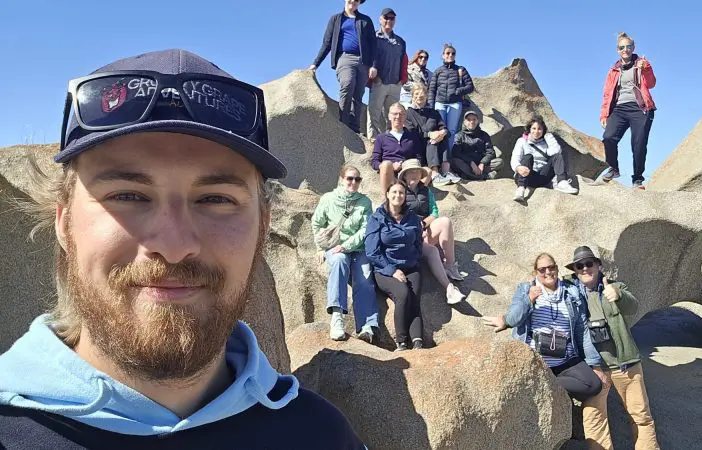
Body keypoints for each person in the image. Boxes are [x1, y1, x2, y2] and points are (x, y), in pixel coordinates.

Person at [0, 49, 363, 447]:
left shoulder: (320, 436)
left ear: (263, 228)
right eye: (128, 195)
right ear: (64, 223)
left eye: (216, 199)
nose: (174, 247)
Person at [564, 246, 660, 450]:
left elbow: (632, 306)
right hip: (594, 369)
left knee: (641, 417)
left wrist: (617, 294)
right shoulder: (571, 293)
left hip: (624, 363)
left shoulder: (614, 286)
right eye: (579, 266)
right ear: (575, 270)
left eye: (589, 263)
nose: (585, 269)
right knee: (594, 422)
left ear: (598, 265)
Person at [482, 253, 605, 403]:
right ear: (536, 272)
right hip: (538, 360)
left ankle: (545, 384)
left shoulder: (571, 292)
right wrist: (529, 299)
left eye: (551, 267)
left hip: (566, 359)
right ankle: (547, 384)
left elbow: (582, 330)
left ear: (557, 269)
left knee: (594, 385)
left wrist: (595, 364)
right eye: (542, 269)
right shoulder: (526, 289)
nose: (548, 272)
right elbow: (513, 319)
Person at [311, 165, 379, 344]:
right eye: (350, 178)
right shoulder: (328, 199)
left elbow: (365, 229)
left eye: (357, 179)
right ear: (341, 179)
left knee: (364, 279)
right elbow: (317, 223)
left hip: (357, 248)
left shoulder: (364, 202)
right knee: (340, 261)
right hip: (336, 248)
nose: (353, 182)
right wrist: (319, 247)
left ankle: (367, 326)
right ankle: (337, 316)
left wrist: (347, 245)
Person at [365, 181, 425, 351]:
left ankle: (418, 342)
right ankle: (402, 342)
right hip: (385, 269)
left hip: (411, 267)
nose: (398, 196)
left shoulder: (412, 218)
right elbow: (372, 252)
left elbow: (418, 242)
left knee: (415, 297)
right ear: (387, 194)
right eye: (394, 192)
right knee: (403, 294)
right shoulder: (377, 218)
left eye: (401, 193)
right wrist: (393, 270)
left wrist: (415, 259)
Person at [397, 159, 466, 305]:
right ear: (404, 175)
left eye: (417, 171)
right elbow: (397, 217)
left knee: (445, 221)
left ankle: (450, 264)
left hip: (424, 230)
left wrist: (423, 224)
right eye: (411, 172)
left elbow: (434, 212)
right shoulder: (399, 192)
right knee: (432, 251)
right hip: (409, 237)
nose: (414, 174)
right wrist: (416, 228)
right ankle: (449, 289)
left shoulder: (425, 190)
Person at [599, 32, 657, 190]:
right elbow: (607, 94)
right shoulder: (613, 70)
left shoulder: (641, 64)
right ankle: (614, 168)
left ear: (633, 48)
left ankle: (637, 180)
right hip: (619, 109)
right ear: (617, 50)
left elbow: (651, 84)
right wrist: (604, 114)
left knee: (638, 144)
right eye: (622, 47)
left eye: (628, 46)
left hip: (640, 108)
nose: (625, 49)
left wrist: (646, 69)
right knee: (608, 137)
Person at [310, 0, 377, 134]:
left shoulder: (365, 20)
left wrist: (373, 65)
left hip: (363, 61)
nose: (354, 1)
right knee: (347, 83)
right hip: (345, 58)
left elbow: (373, 44)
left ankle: (355, 128)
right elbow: (327, 43)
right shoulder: (336, 19)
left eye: (357, 0)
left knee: (358, 94)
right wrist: (315, 64)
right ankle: (343, 123)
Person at [428, 43, 474, 181]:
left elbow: (470, 86)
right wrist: (431, 105)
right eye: (447, 53)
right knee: (441, 131)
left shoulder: (460, 70)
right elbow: (432, 89)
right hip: (440, 103)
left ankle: (446, 164)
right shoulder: (438, 71)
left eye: (452, 53)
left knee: (452, 132)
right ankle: (438, 164)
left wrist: (458, 91)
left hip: (455, 104)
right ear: (443, 55)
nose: (450, 56)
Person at [510, 116, 578, 202]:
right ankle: (521, 188)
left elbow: (556, 153)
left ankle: (562, 182)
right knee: (528, 157)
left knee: (557, 156)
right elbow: (515, 158)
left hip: (542, 177)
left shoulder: (546, 142)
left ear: (543, 130)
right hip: (525, 175)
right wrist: (518, 168)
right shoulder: (522, 141)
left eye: (539, 129)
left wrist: (549, 137)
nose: (536, 131)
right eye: (534, 128)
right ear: (529, 129)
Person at [403, 83, 456, 187]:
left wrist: (442, 132)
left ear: (426, 96)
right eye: (416, 94)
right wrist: (430, 134)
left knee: (442, 138)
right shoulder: (408, 113)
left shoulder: (433, 112)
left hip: (435, 146)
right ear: (412, 96)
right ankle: (435, 174)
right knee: (431, 141)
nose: (419, 96)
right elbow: (412, 133)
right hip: (419, 148)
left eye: (422, 94)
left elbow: (444, 128)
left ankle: (446, 171)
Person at [367, 7, 408, 140]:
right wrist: (375, 79)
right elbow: (368, 58)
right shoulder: (373, 37)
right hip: (379, 82)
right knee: (374, 112)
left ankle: (390, 141)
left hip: (395, 84)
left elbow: (404, 61)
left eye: (392, 18)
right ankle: (372, 140)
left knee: (392, 116)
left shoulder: (401, 42)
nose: (389, 20)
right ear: (380, 19)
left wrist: (402, 80)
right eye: (386, 18)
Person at [371, 103, 423, 194]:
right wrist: (391, 166)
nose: (398, 117)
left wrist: (406, 166)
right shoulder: (381, 137)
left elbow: (418, 158)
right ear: (389, 116)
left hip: (407, 172)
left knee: (428, 171)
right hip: (389, 173)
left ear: (405, 116)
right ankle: (386, 198)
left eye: (401, 114)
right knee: (386, 164)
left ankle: (414, 196)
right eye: (395, 114)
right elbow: (374, 162)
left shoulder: (412, 137)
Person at [451, 111, 503, 180]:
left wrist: (482, 163)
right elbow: (456, 153)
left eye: (474, 119)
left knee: (499, 162)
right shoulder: (459, 136)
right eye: (469, 120)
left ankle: (469, 175)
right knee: (454, 162)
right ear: (464, 122)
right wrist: (471, 163)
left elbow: (491, 152)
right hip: (467, 164)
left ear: (478, 121)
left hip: (481, 165)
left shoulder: (484, 135)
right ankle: (482, 176)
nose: (471, 122)